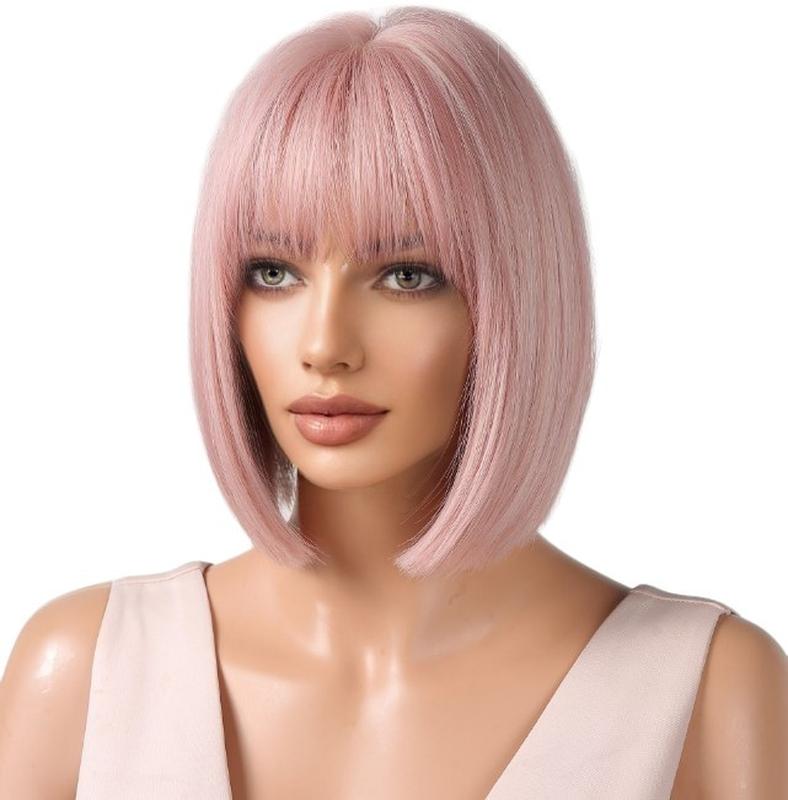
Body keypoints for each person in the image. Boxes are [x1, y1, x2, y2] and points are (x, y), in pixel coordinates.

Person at [1, 7, 786, 799]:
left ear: (519, 300)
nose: (325, 344)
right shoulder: (82, 678)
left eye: (407, 276)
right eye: (274, 272)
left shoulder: (708, 693)